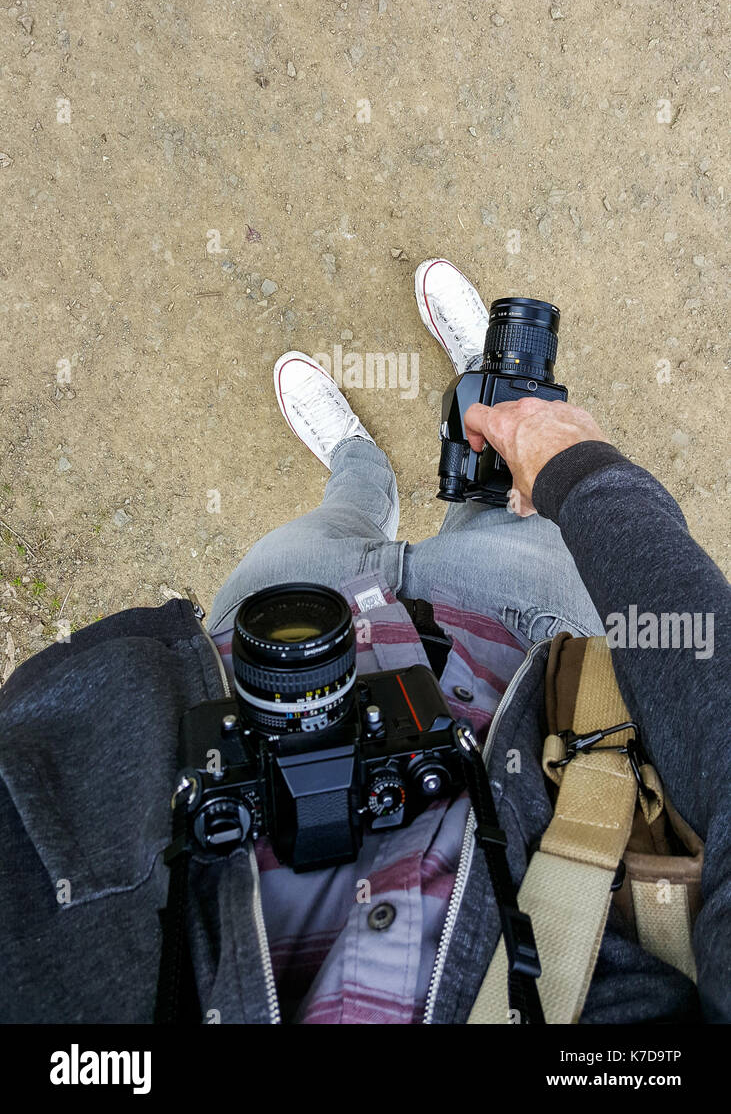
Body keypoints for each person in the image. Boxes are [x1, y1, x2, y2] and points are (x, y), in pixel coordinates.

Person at [0, 260, 728, 1025]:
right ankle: (491, 401)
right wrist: (573, 469)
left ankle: (360, 457)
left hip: (256, 666)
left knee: (333, 520)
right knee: (501, 508)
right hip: (519, 667)